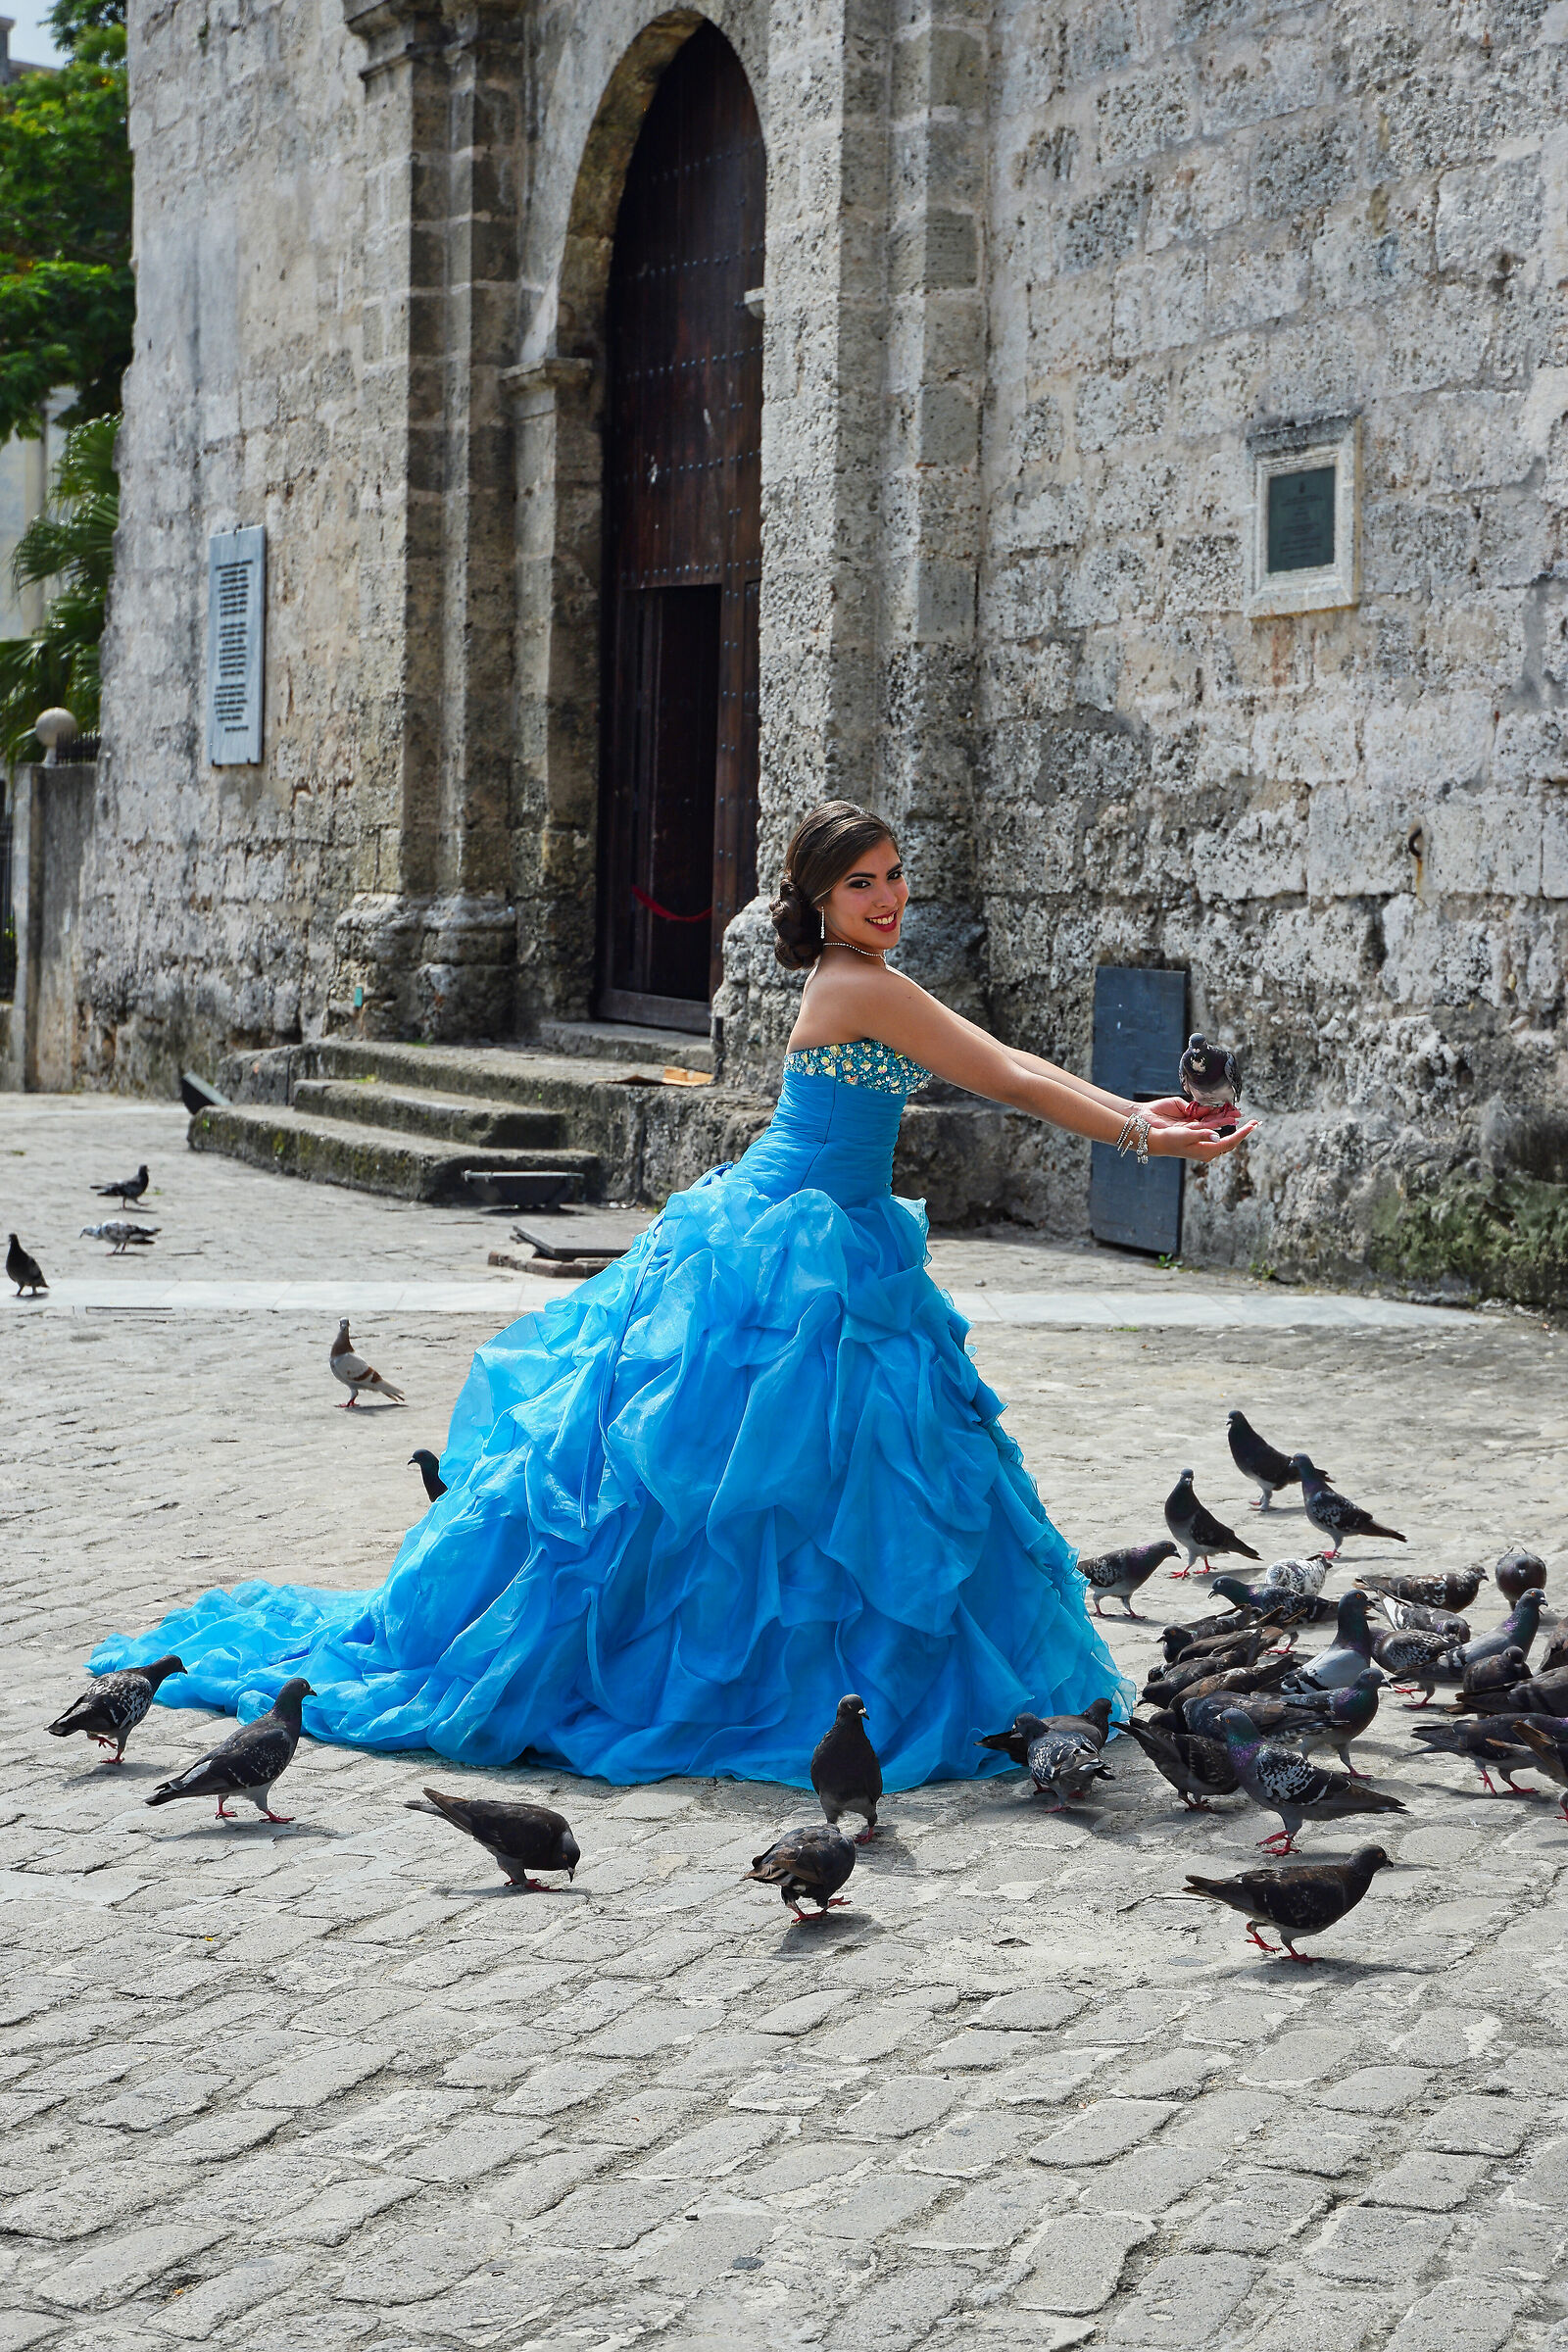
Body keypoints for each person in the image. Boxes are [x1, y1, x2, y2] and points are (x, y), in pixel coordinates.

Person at [90, 802, 1254, 1788]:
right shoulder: (858, 985)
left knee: (815, 1470)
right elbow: (997, 1073)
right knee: (740, 1474)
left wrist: (1150, 1113)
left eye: (896, 877)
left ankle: (806, 1663)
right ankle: (735, 1671)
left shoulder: (878, 980)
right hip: (795, 1239)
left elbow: (1013, 1058)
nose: (888, 897)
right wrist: (1150, 1140)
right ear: (820, 899)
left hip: (822, 1229)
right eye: (863, 883)